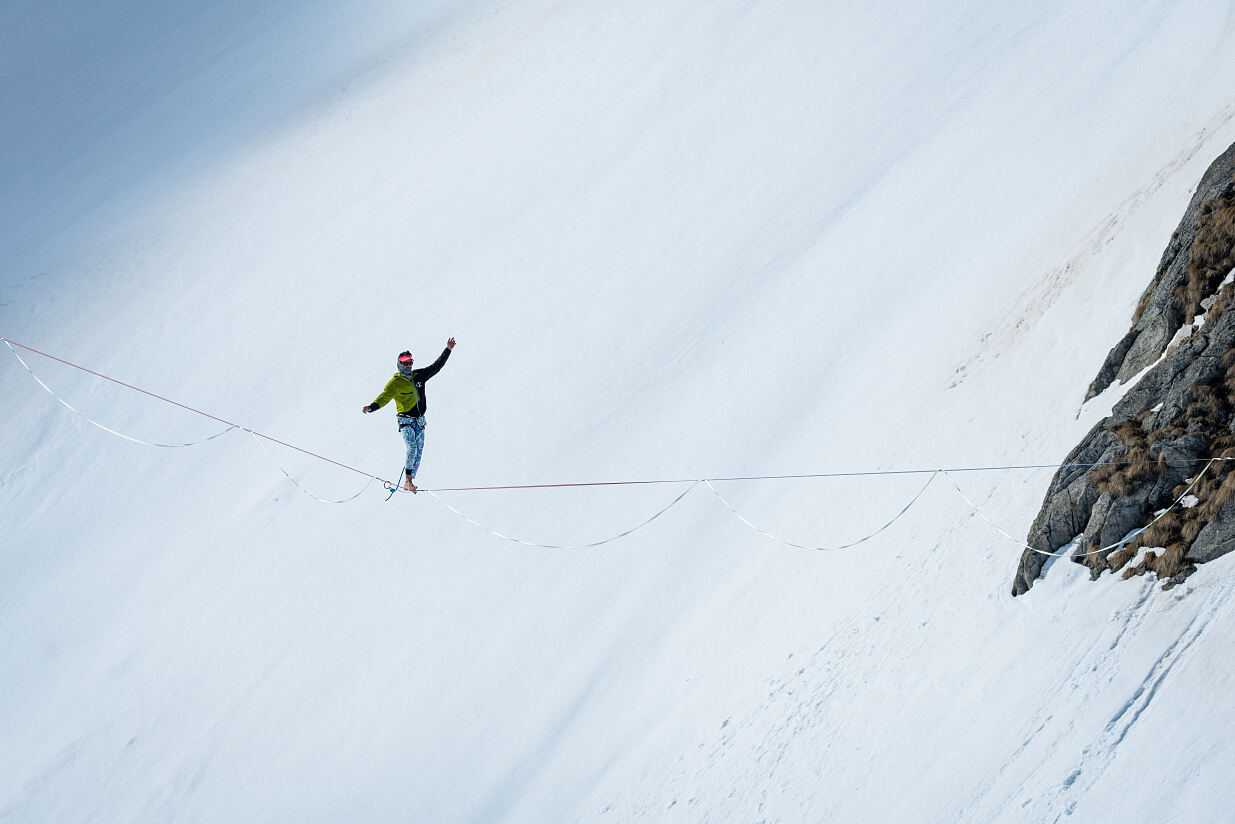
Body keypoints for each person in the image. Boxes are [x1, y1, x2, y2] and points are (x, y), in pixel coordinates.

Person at [362, 337, 455, 492]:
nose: (408, 365)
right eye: (405, 363)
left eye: (410, 362)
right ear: (399, 364)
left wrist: (448, 350)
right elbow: (384, 397)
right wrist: (372, 407)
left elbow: (436, 367)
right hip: (405, 421)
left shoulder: (419, 375)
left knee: (419, 450)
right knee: (411, 446)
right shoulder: (395, 383)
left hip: (419, 421)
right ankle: (408, 480)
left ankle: (409, 481)